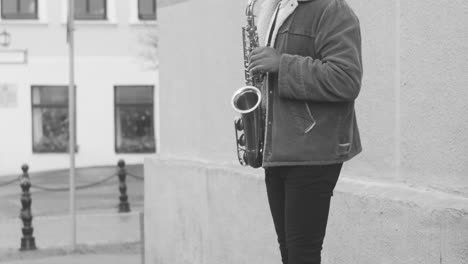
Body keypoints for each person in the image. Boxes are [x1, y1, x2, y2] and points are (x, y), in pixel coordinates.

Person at [247, 0, 363, 263]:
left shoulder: (333, 11)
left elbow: (347, 80)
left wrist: (282, 64)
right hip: (278, 148)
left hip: (313, 151)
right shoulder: (278, 8)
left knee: (302, 254)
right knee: (289, 251)